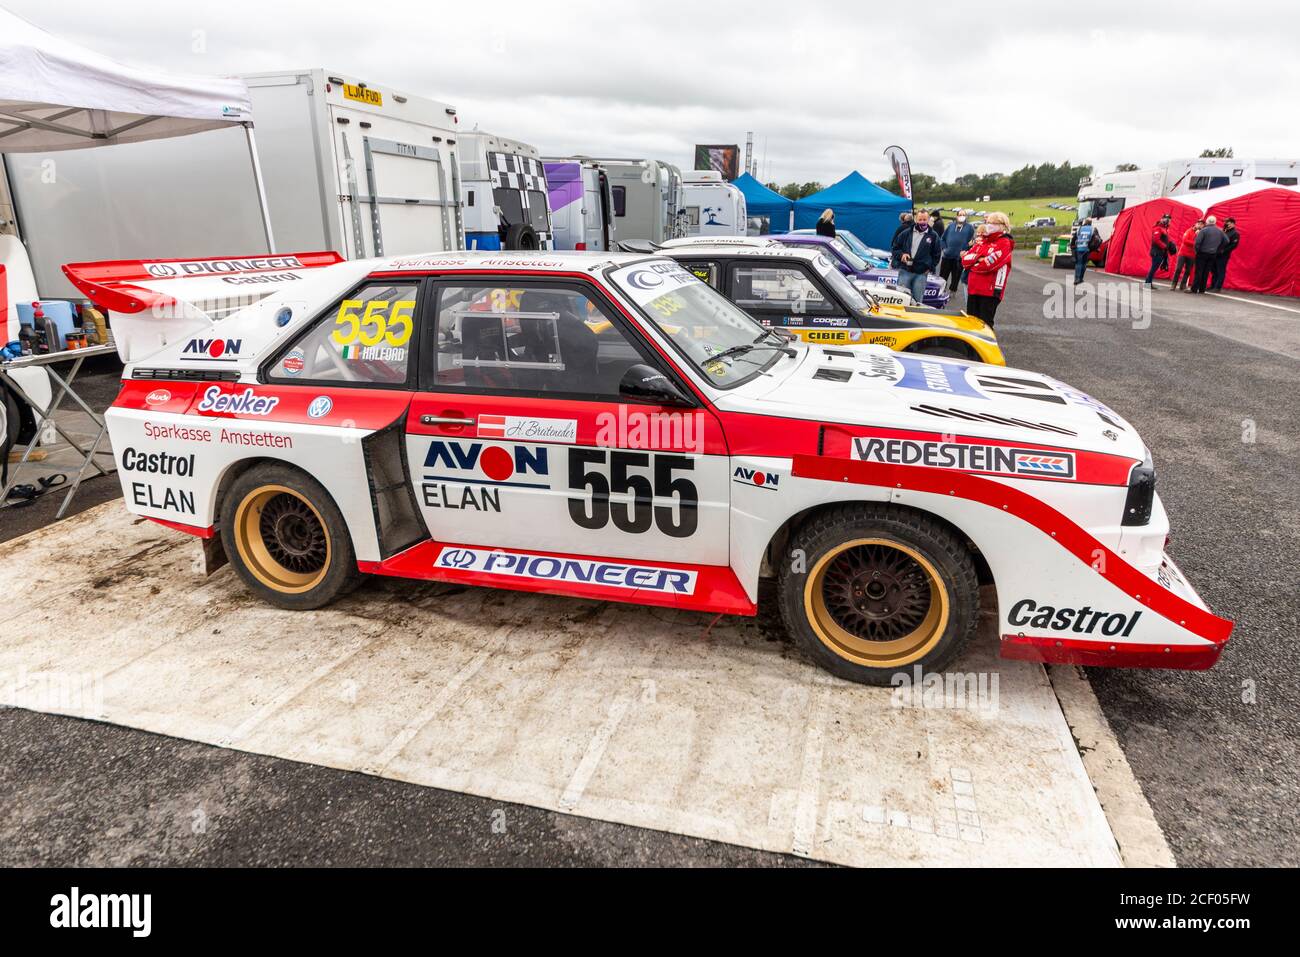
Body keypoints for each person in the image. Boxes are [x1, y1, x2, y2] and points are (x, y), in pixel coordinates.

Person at [960, 212, 1013, 326]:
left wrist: (974, 262)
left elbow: (989, 265)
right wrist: (979, 258)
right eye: (988, 222)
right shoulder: (982, 241)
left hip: (990, 291)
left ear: (1003, 225)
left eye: (993, 223)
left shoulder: (1005, 243)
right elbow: (965, 260)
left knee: (985, 325)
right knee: (971, 322)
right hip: (974, 288)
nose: (989, 225)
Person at [892, 208, 942, 306]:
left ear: (928, 220)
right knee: (901, 299)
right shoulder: (906, 233)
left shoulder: (933, 236)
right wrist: (902, 254)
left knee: (917, 302)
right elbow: (895, 247)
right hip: (905, 271)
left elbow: (937, 254)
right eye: (920, 219)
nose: (922, 222)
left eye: (924, 219)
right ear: (915, 219)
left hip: (921, 274)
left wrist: (930, 267)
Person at [938, 211, 975, 292]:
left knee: (956, 276)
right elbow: (942, 239)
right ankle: (941, 290)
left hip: (959, 258)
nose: (962, 216)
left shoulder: (969, 228)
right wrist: (944, 249)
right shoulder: (950, 226)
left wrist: (967, 249)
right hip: (947, 256)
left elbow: (972, 241)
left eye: (963, 215)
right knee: (942, 276)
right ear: (957, 216)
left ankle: (952, 291)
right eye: (960, 215)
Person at [1192, 215, 1227, 294]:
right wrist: (1218, 249)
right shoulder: (1220, 231)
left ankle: (1194, 289)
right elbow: (1226, 241)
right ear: (1215, 222)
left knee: (1199, 271)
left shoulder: (1204, 230)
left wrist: (1197, 251)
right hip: (1212, 254)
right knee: (1206, 272)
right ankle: (1202, 290)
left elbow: (1197, 243)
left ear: (1207, 222)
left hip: (1202, 253)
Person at [1144, 213, 1175, 288]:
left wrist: (1170, 244)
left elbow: (1165, 239)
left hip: (1161, 252)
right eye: (1166, 218)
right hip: (1156, 252)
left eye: (1169, 219)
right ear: (1162, 219)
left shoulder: (1165, 229)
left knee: (1154, 268)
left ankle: (1149, 283)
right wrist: (1165, 246)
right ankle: (1147, 284)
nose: (1167, 220)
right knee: (1153, 268)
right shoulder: (1158, 227)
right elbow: (1156, 240)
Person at [1171, 219, 1203, 291]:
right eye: (1199, 223)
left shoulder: (1201, 233)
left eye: (1202, 224)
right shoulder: (1189, 231)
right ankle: (1174, 284)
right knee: (1178, 269)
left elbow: (1201, 244)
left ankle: (1183, 285)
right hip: (1183, 253)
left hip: (1192, 255)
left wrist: (1197, 240)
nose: (1200, 225)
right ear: (1196, 224)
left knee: (1188, 271)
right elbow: (1185, 241)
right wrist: (1195, 242)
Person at [1211, 218, 1240, 291]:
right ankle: (1213, 285)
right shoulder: (1223, 231)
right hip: (1216, 253)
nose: (1227, 224)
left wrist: (1223, 251)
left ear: (1233, 223)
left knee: (1221, 270)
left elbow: (1234, 245)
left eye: (1228, 222)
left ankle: (1217, 287)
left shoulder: (1235, 233)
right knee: (1214, 270)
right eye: (1226, 222)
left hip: (1224, 255)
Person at [1073, 218, 1101, 285]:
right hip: (1087, 249)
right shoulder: (1093, 229)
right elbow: (1098, 239)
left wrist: (1072, 246)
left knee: (1078, 263)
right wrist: (1095, 248)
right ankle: (1081, 279)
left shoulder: (1079, 229)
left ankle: (1076, 279)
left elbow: (1074, 238)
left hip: (1079, 248)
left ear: (1084, 222)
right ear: (1091, 223)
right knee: (1084, 263)